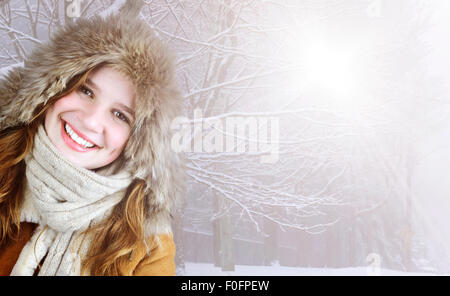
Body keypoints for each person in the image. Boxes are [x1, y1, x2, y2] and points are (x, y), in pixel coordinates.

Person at [0, 8, 183, 276]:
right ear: (53, 88)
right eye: (85, 90)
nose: (91, 122)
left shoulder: (147, 242)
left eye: (120, 115)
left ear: (138, 141)